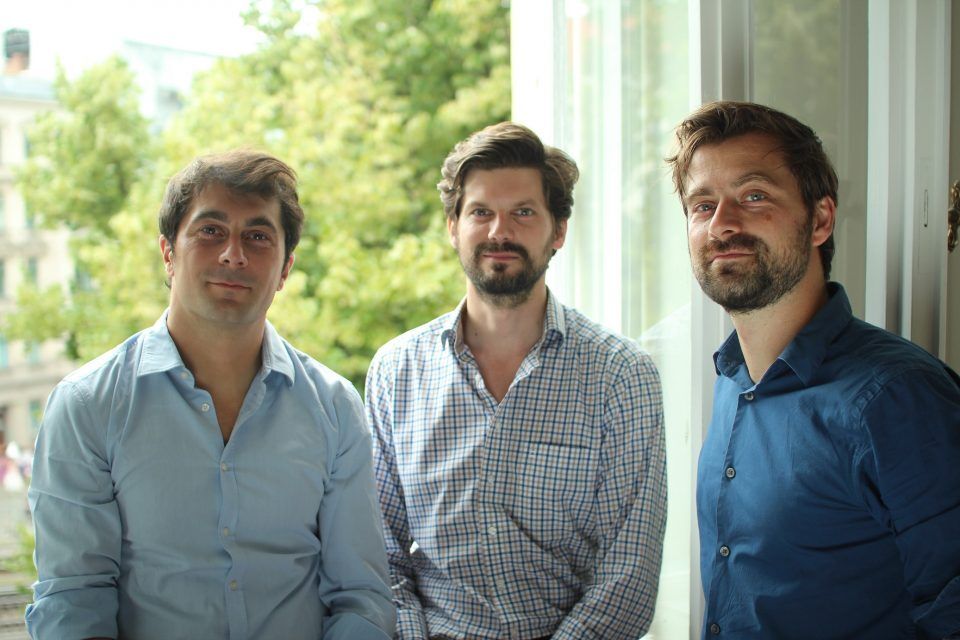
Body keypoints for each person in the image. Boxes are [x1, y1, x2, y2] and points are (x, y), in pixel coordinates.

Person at [26, 150, 395, 640]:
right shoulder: (87, 405)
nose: (233, 254)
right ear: (167, 253)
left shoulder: (334, 407)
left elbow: (360, 598)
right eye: (210, 231)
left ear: (285, 269)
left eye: (258, 237)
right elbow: (74, 599)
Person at [668, 100, 960, 639]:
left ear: (820, 219)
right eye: (702, 205)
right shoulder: (733, 378)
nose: (722, 224)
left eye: (754, 196)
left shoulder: (897, 398)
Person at [365, 122, 667, 640]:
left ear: (559, 231)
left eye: (523, 212)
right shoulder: (397, 372)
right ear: (452, 227)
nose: (498, 231)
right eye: (480, 212)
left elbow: (629, 576)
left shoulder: (622, 376)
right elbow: (380, 555)